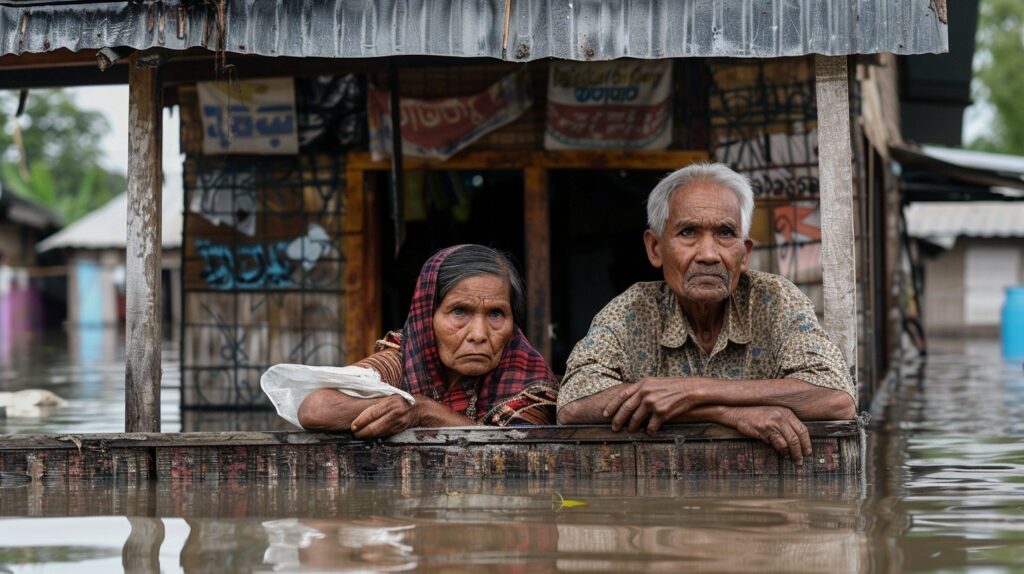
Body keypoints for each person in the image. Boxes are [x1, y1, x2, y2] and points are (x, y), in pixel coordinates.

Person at [556, 163, 856, 465]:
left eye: (725, 233)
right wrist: (728, 413)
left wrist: (692, 390)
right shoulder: (631, 310)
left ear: (745, 253)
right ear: (655, 248)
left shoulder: (775, 301)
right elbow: (574, 402)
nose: (709, 255)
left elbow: (837, 399)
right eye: (688, 232)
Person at [298, 244, 558, 437]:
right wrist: (397, 409)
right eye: (459, 311)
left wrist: (422, 412)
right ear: (426, 318)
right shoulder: (407, 355)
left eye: (496, 314)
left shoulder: (528, 379)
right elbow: (315, 407)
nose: (479, 334)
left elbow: (518, 450)